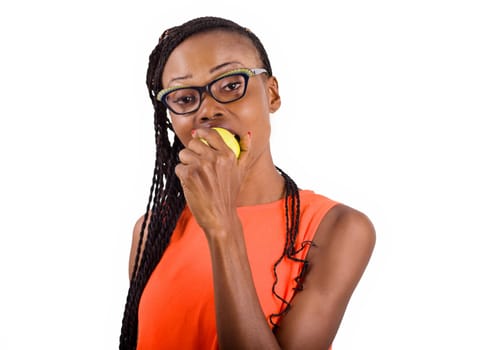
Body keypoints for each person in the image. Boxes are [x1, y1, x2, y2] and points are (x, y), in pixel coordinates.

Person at [119, 16, 376, 350]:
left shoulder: (338, 228)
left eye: (230, 85)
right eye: (184, 98)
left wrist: (222, 226)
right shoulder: (152, 231)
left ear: (271, 94)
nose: (208, 110)